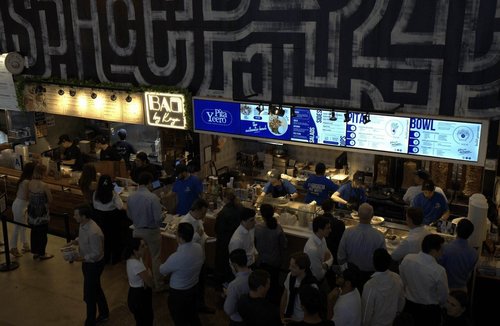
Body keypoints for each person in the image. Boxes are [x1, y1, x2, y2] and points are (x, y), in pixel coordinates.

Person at [70, 204, 109, 326]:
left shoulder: (94, 232)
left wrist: (80, 258)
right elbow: (83, 238)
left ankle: (90, 321)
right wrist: (75, 241)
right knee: (95, 288)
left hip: (94, 265)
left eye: (76, 215)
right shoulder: (83, 224)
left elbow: (96, 254)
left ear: (84, 216)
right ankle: (104, 313)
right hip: (87, 263)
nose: (74, 216)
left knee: (90, 294)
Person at [159, 222, 204, 326]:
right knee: (193, 315)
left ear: (179, 237)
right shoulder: (198, 248)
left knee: (179, 319)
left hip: (179, 293)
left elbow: (162, 270)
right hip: (193, 287)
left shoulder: (176, 257)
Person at [127, 171, 165, 291]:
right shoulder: (153, 198)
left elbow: (129, 215)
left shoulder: (131, 196)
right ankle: (158, 284)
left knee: (139, 258)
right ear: (149, 183)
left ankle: (143, 281)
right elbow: (158, 219)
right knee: (155, 257)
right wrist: (163, 215)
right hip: (151, 231)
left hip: (137, 230)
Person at [399, 234, 449, 326]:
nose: (443, 252)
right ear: (434, 251)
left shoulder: (407, 259)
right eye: (441, 249)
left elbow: (403, 280)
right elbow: (443, 296)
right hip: (428, 312)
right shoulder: (439, 271)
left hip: (409, 306)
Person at [337, 203, 386, 293]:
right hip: (370, 276)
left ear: (358, 215)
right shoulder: (379, 236)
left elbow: (340, 257)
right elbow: (382, 261)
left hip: (351, 275)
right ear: (372, 216)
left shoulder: (348, 232)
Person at [180, 198, 215, 314]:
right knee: (192, 286)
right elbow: (183, 243)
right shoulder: (185, 222)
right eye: (203, 213)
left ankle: (200, 305)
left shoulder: (198, 220)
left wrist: (209, 238)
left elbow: (203, 234)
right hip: (191, 260)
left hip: (201, 258)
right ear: (196, 210)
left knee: (201, 284)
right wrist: (197, 235)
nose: (204, 215)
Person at [361, 248, 405, 326]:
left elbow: (366, 313)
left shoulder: (370, 285)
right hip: (392, 321)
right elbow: (401, 300)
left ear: (374, 263)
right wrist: (397, 313)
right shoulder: (397, 278)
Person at [255, 203, 287, 305]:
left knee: (262, 282)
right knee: (273, 283)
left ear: (262, 214)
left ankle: (262, 302)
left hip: (261, 261)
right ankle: (273, 303)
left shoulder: (257, 228)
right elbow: (284, 244)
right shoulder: (278, 228)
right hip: (275, 261)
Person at [92, 174, 125, 264]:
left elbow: (95, 205)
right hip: (112, 221)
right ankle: (115, 259)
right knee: (114, 239)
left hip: (100, 221)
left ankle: (105, 259)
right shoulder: (113, 194)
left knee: (104, 240)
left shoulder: (96, 194)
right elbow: (120, 206)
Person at [439, 219, 478, 291]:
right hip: (462, 290)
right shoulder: (474, 253)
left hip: (445, 289)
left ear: (456, 229)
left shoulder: (445, 248)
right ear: (470, 234)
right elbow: (469, 275)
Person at [280, 252, 319, 323]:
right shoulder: (290, 276)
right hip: (288, 315)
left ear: (303, 269)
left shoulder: (312, 285)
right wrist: (281, 316)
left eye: (293, 267)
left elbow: (312, 311)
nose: (289, 268)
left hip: (301, 320)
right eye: (290, 265)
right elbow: (285, 295)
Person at [215, 188, 243, 284]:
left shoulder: (224, 212)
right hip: (237, 241)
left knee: (224, 265)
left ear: (225, 198)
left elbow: (218, 229)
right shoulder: (240, 207)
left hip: (224, 242)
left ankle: (224, 288)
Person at [124, 237, 154, 326]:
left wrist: (147, 273)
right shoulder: (136, 265)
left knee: (142, 320)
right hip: (139, 296)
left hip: (137, 293)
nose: (146, 248)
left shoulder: (135, 258)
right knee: (146, 320)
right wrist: (149, 273)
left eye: (145, 245)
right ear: (135, 250)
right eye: (142, 246)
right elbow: (150, 283)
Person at [27, 164, 53, 260]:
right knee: (42, 233)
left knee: (34, 232)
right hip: (41, 213)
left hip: (32, 211)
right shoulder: (44, 185)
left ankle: (35, 252)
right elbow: (50, 199)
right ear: (42, 173)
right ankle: (42, 253)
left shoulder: (30, 183)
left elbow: (28, 196)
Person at [9, 162, 35, 257]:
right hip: (20, 206)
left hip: (20, 205)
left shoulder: (24, 180)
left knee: (23, 226)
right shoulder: (27, 182)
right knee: (17, 227)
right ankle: (13, 247)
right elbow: (28, 196)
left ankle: (25, 244)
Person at [224, 249, 251, 325]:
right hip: (251, 317)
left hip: (238, 320)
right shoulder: (253, 275)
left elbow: (228, 310)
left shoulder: (234, 285)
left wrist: (228, 294)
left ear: (235, 265)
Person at [304, 216, 333, 284]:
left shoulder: (322, 238)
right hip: (313, 282)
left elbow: (331, 257)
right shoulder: (312, 250)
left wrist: (324, 265)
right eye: (328, 228)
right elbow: (319, 275)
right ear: (320, 230)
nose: (330, 230)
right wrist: (327, 265)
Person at [321, 198, 345, 266]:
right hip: (334, 254)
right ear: (333, 207)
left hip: (320, 253)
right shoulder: (339, 224)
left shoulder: (317, 220)